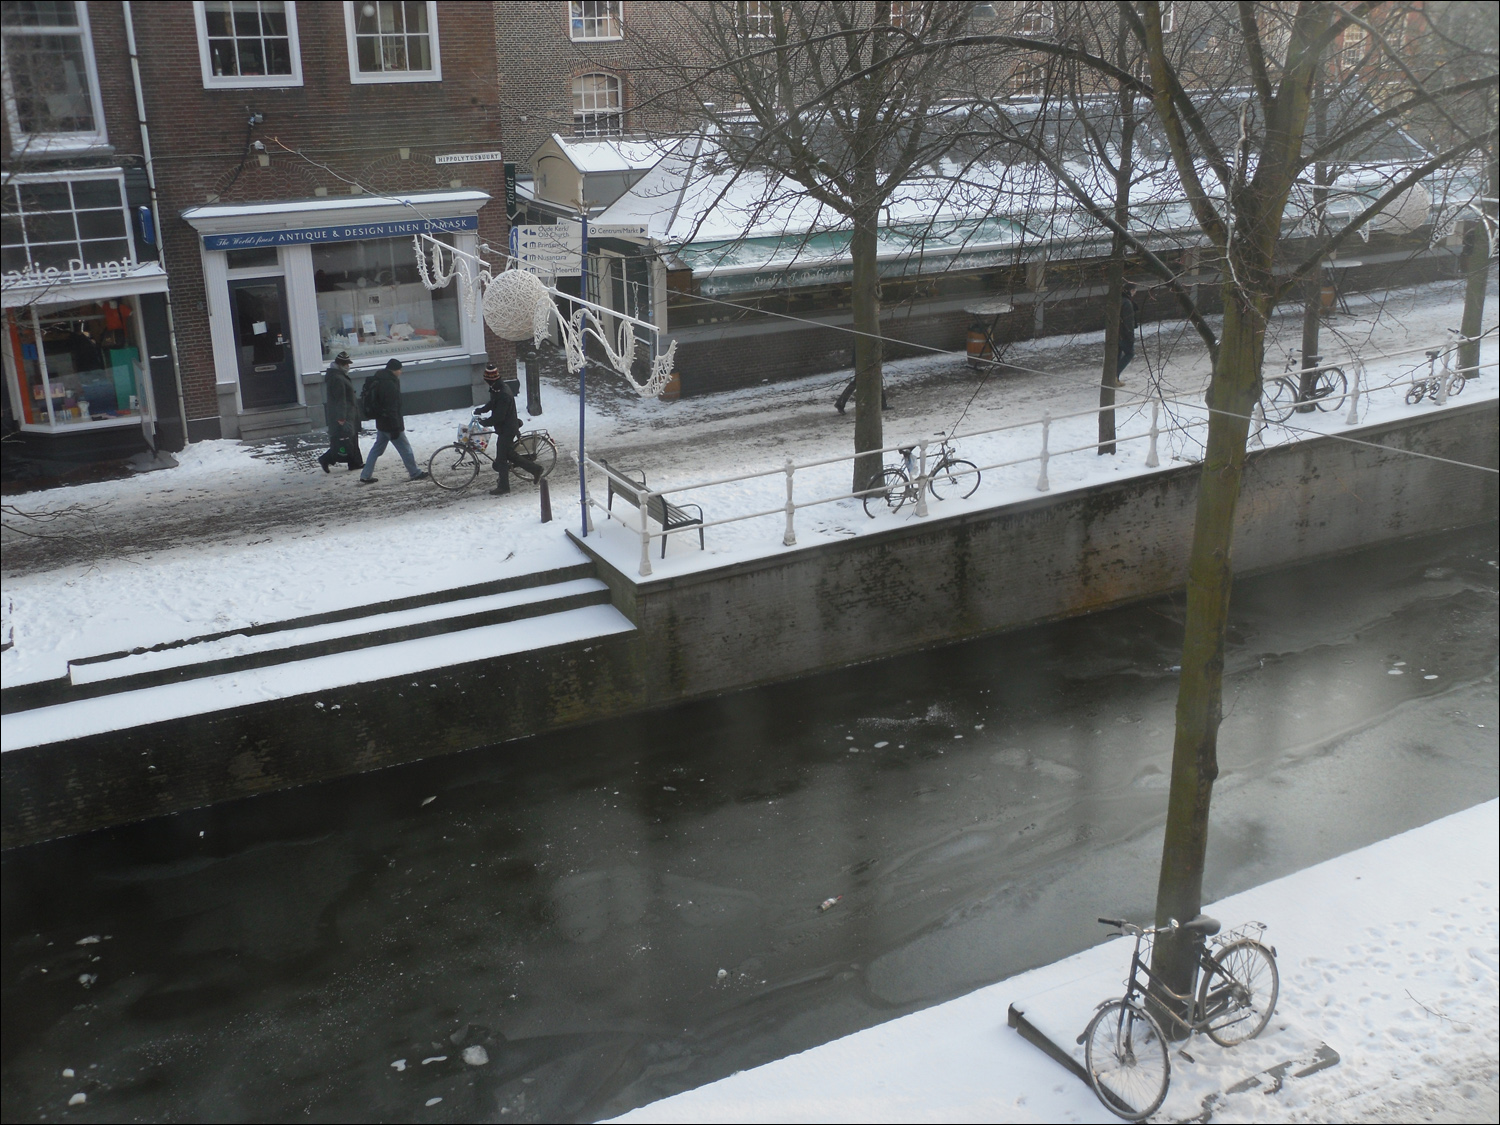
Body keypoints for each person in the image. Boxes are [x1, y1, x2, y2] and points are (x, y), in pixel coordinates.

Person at [473, 363, 542, 495]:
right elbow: (493, 403)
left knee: (501, 459)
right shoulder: (497, 388)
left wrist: (485, 422)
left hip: (507, 429)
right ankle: (535, 469)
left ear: (490, 380)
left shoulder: (503, 393)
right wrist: (481, 410)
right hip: (506, 427)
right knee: (509, 454)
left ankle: (504, 487)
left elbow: (499, 416)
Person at [358, 358, 427, 484]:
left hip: (382, 422)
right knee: (405, 449)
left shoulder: (379, 379)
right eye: (399, 369)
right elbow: (392, 407)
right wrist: (396, 427)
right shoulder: (389, 384)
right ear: (394, 370)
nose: (400, 372)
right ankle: (415, 473)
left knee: (376, 449)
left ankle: (365, 474)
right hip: (391, 423)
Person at [317, 352, 363, 473]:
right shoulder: (337, 378)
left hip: (348, 412)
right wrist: (341, 416)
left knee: (351, 438)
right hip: (345, 413)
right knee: (345, 440)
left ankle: (355, 462)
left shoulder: (338, 375)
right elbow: (340, 399)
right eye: (346, 364)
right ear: (340, 364)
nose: (348, 366)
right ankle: (326, 459)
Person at [1116, 282, 1138, 385]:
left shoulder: (1118, 300)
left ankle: (1114, 377)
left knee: (1117, 355)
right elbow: (1128, 322)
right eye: (1134, 290)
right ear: (1131, 290)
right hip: (1124, 334)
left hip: (1116, 333)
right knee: (1129, 353)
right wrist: (1130, 336)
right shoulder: (1127, 303)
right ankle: (1114, 376)